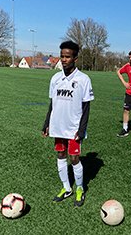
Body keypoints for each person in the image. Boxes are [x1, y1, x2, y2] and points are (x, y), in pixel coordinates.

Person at [42, 40, 94, 207]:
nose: (64, 59)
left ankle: (79, 188)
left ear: (75, 58)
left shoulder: (84, 79)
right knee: (60, 155)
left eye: (67, 57)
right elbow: (52, 103)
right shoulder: (55, 78)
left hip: (73, 128)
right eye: (62, 56)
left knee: (74, 158)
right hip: (57, 126)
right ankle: (66, 188)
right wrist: (47, 123)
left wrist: (82, 128)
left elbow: (86, 107)